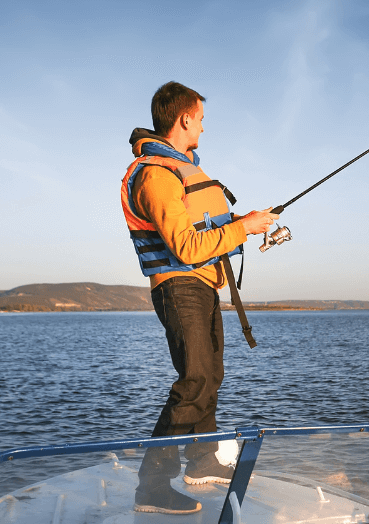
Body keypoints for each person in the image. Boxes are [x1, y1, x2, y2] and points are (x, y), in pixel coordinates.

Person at [120, 81, 278, 514]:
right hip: (178, 285)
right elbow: (186, 247)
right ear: (185, 117)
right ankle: (151, 487)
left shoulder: (180, 168)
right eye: (201, 120)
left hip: (203, 286)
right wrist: (243, 229)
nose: (204, 129)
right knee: (194, 378)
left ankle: (202, 459)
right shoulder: (155, 174)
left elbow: (202, 232)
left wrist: (243, 221)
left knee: (210, 374)